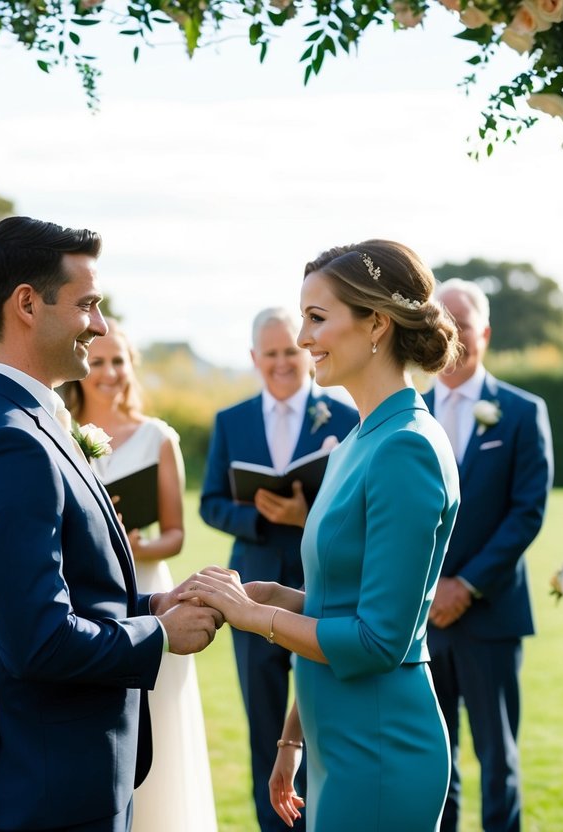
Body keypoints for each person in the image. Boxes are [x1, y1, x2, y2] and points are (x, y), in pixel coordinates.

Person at [0, 215, 220, 832]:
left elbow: (69, 591)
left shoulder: (24, 420)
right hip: (48, 790)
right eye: (88, 303)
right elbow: (38, 640)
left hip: (67, 775)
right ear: (28, 305)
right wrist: (160, 634)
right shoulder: (7, 443)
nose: (101, 324)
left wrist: (154, 601)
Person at [185, 239, 461, 831]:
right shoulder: (355, 443)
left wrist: (253, 618)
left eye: (316, 317)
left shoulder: (405, 447)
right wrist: (292, 738)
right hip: (334, 741)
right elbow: (338, 607)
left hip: (381, 748)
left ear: (376, 325)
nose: (304, 338)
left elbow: (377, 640)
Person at [199, 307, 355, 832]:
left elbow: (353, 504)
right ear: (254, 359)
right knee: (265, 725)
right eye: (271, 354)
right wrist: (258, 517)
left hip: (323, 584)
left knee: (321, 715)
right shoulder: (231, 420)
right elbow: (210, 502)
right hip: (254, 587)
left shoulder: (344, 416)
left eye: (291, 350)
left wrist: (303, 514)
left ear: (305, 352)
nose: (283, 362)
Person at [63, 318, 217, 831]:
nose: (109, 371)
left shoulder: (158, 437)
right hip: (86, 594)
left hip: (149, 586)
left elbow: (175, 532)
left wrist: (139, 543)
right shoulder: (61, 434)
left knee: (160, 724)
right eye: (99, 360)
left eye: (119, 360)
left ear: (131, 367)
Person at [424, 279, 552, 832]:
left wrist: (466, 585)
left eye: (464, 324)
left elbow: (527, 512)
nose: (453, 336)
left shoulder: (523, 412)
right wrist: (428, 590)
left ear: (486, 332)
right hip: (421, 615)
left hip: (492, 611)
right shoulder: (411, 410)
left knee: (498, 758)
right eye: (441, 324)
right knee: (435, 757)